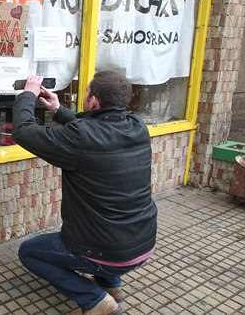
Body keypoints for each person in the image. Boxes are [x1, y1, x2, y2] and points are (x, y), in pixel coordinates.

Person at [12, 72, 158, 315]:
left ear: (93, 102)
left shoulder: (81, 137)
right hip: (142, 246)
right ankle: (112, 284)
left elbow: (23, 131)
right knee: (108, 234)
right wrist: (59, 110)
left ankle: (95, 300)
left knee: (28, 253)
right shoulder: (137, 126)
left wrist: (28, 94)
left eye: (87, 91)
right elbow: (95, 130)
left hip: (103, 251)